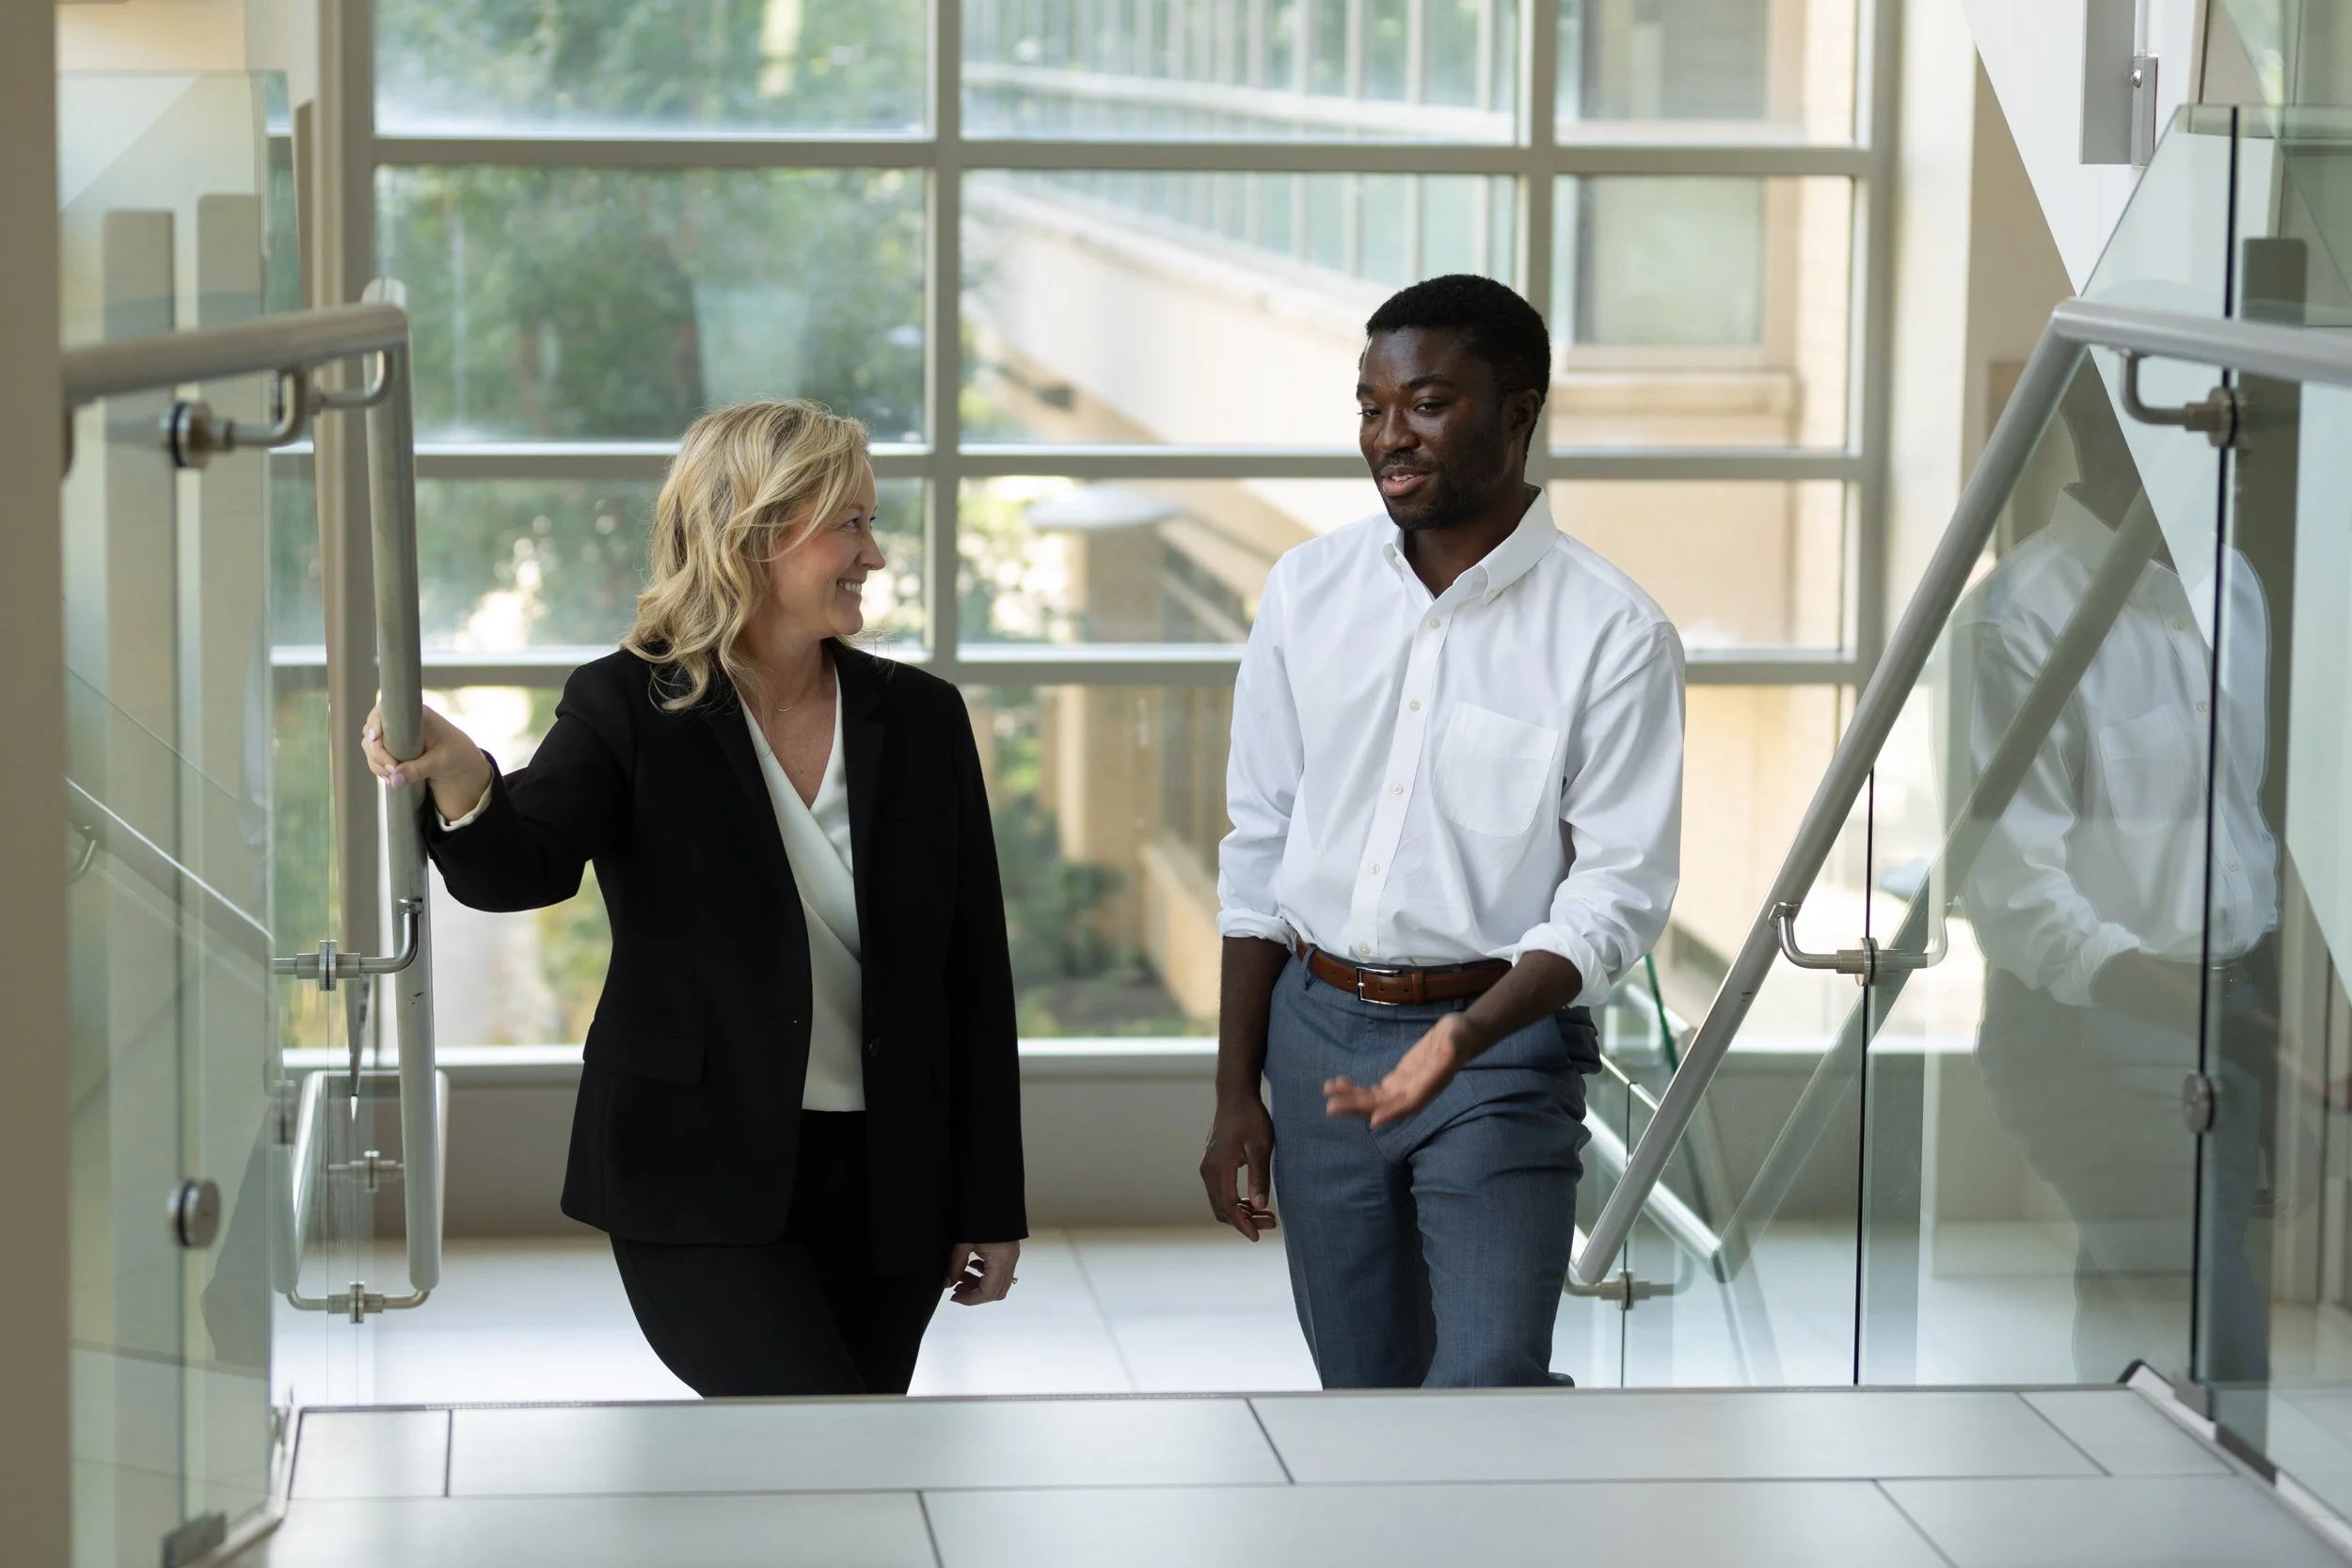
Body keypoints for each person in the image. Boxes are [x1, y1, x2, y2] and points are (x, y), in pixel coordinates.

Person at [359, 400, 1025, 1398]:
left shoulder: (921, 719)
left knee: (853, 1462)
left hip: (894, 1183)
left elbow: (974, 974)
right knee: (815, 1432)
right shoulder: (627, 703)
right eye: (851, 523)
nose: (874, 556)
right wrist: (459, 773)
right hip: (697, 1176)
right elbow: (520, 865)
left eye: (870, 523)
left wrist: (991, 1197)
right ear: (757, 534)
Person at [1201, 274, 1685, 1388]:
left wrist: (1460, 1043)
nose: (1387, 437)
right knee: (1361, 1391)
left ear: (1518, 410)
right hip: (1315, 1032)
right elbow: (1259, 847)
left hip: (1499, 1045)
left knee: (1488, 1382)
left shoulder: (1610, 631)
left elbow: (1614, 894)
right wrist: (1237, 1092)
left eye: (1424, 403)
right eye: (1370, 406)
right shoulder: (1305, 591)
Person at [1954, 365, 2275, 1383]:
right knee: (2214, 1337)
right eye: (2215, 422)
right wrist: (2204, 1011)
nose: (2235, 446)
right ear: (2123, 429)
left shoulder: (2234, 583)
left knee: (2140, 1318)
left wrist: (2256, 1010)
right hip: (2095, 1026)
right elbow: (2021, 904)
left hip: (2240, 993)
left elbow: (2241, 827)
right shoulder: (2016, 620)